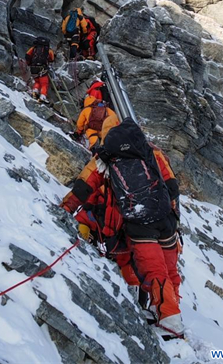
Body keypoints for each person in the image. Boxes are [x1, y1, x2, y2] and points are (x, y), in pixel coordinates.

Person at [63, 117, 184, 340]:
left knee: (153, 269)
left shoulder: (105, 158)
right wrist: (173, 217)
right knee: (170, 269)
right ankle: (170, 313)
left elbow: (83, 186)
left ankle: (169, 320)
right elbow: (172, 186)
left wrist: (64, 209)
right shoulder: (152, 152)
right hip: (166, 220)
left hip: (137, 223)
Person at [25, 37, 55, 102]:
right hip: (42, 68)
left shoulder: (33, 48)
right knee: (44, 83)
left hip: (33, 67)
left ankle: (35, 91)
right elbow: (52, 59)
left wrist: (29, 63)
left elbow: (27, 55)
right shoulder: (49, 50)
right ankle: (43, 96)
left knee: (37, 81)